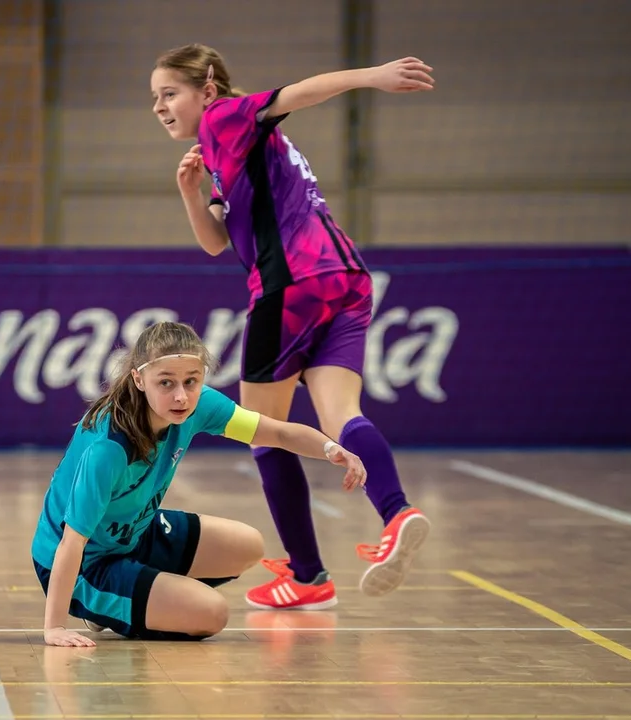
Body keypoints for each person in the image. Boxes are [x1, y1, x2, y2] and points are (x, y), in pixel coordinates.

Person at [149, 43, 434, 609]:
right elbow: (214, 242)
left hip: (293, 287)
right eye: (153, 98)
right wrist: (191, 192)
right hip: (347, 279)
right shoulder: (227, 150)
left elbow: (299, 93)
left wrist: (374, 76)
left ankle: (308, 577)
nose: (158, 107)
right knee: (341, 415)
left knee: (263, 432)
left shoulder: (227, 116)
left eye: (168, 93)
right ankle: (398, 513)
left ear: (206, 90)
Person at [31, 321, 367, 647]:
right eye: (166, 383)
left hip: (134, 533)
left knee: (247, 544)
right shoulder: (109, 449)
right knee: (211, 614)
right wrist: (55, 627)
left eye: (191, 382)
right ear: (139, 379)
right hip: (82, 562)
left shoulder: (199, 405)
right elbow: (71, 544)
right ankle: (112, 603)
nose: (181, 397)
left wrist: (331, 449)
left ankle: (132, 597)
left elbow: (276, 432)